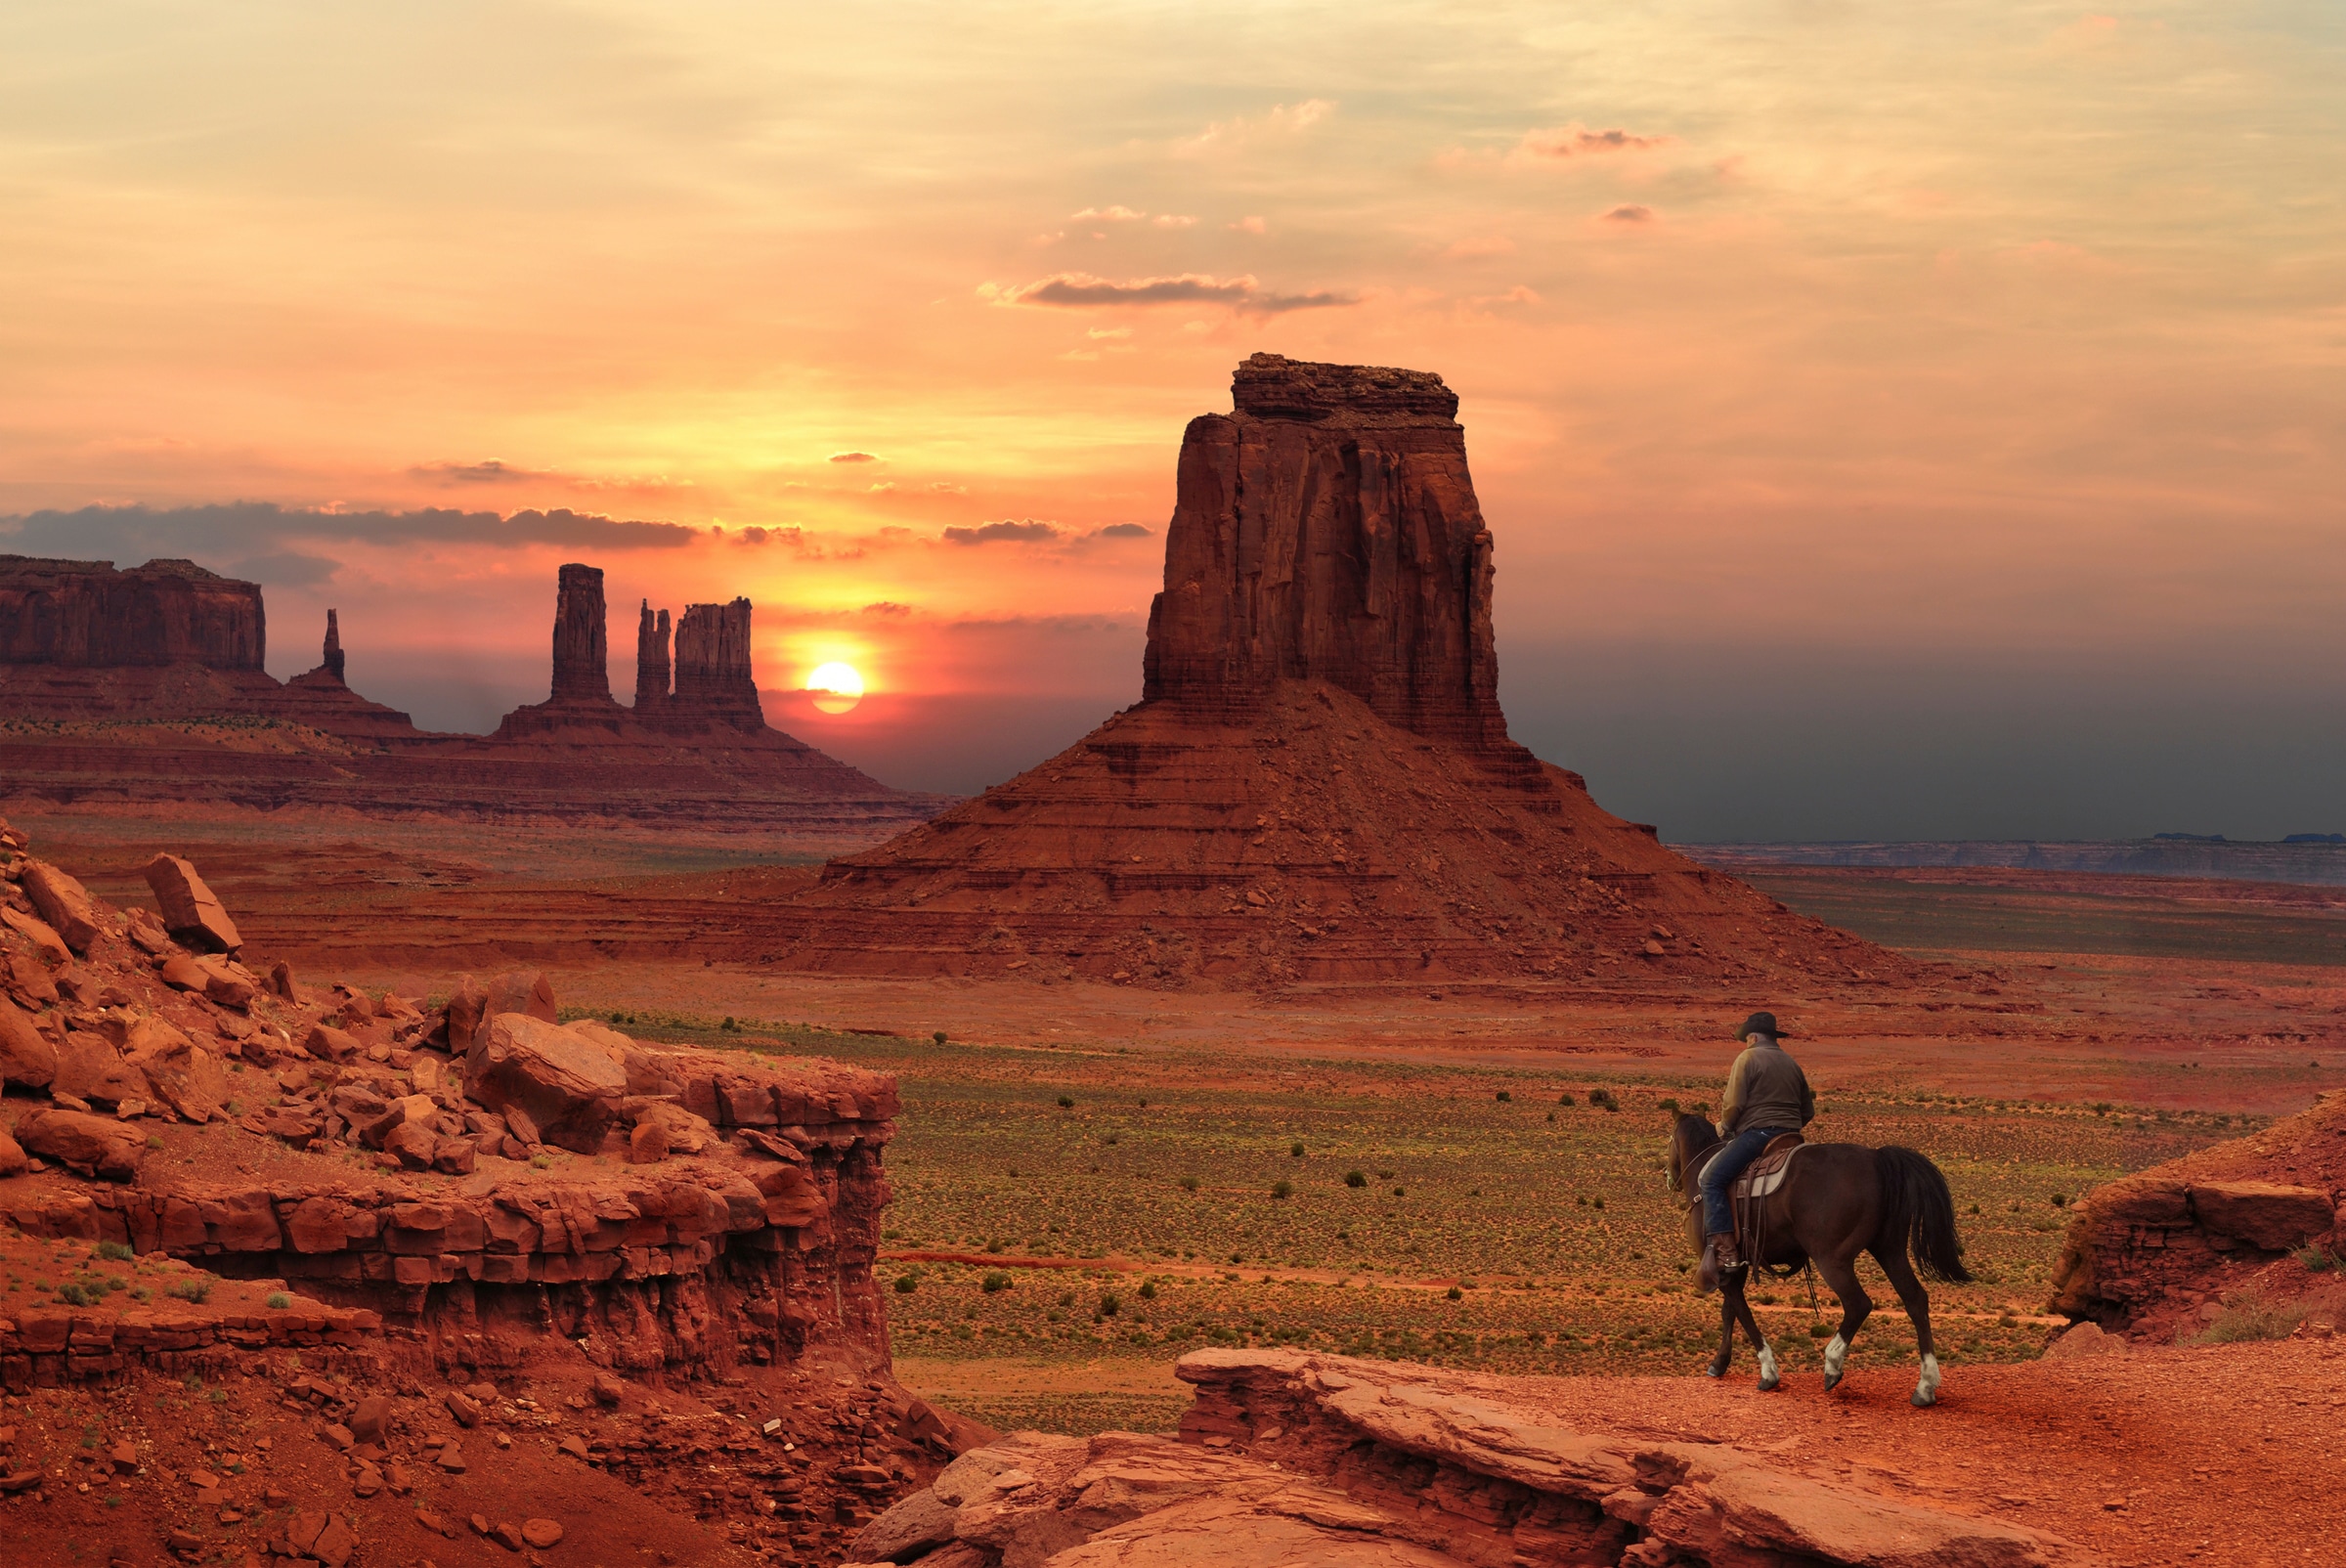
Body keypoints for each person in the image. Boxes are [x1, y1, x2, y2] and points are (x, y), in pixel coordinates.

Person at [1696, 1010, 1815, 1293]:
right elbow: (1808, 1110)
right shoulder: (1791, 1063)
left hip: (1759, 1135)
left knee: (1711, 1179)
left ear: (1752, 1036)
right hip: (1791, 1138)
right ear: (1773, 1037)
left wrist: (1725, 1127)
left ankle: (1726, 1253)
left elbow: (1734, 1104)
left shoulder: (1747, 1058)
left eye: (1746, 1038)